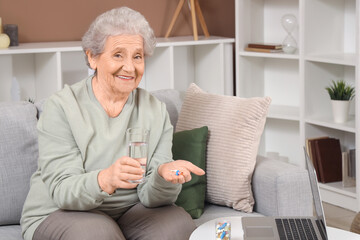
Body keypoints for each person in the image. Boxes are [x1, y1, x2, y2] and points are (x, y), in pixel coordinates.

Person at [20, 7, 205, 240]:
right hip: (61, 211)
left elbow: (152, 197)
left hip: (129, 211)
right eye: (118, 55)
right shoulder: (62, 107)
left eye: (137, 56)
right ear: (92, 57)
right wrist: (105, 179)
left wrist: (162, 176)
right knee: (96, 233)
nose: (129, 67)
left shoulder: (155, 110)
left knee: (177, 224)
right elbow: (62, 190)